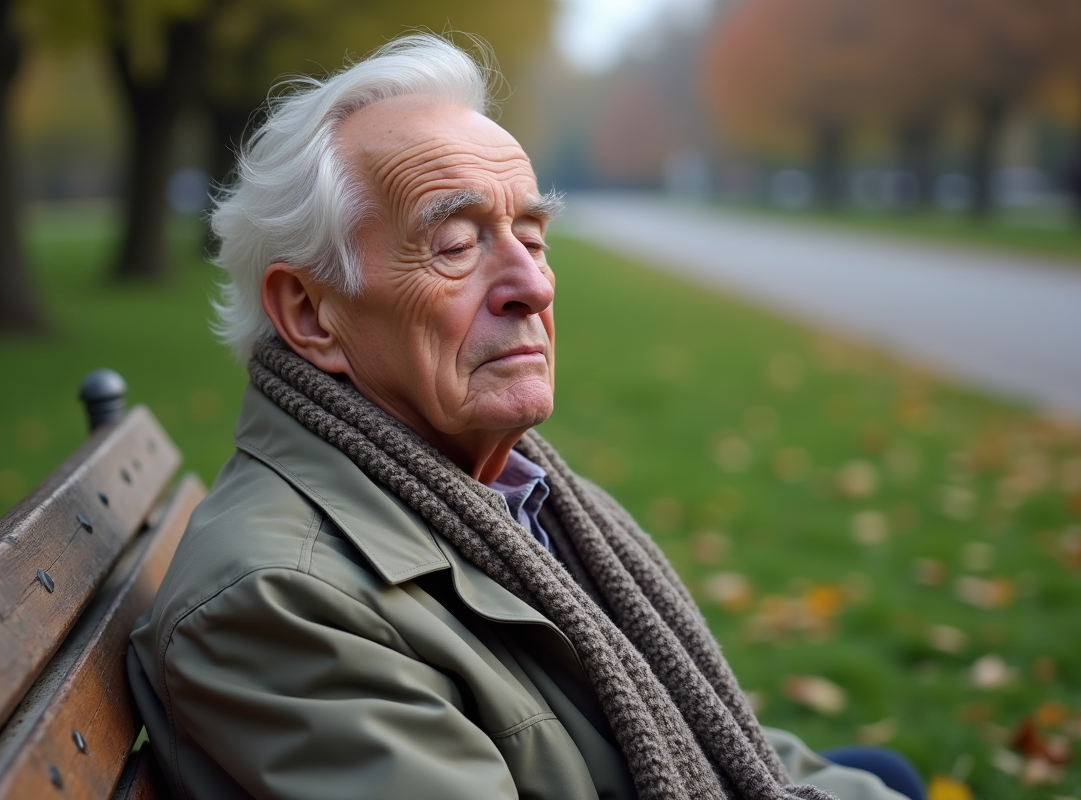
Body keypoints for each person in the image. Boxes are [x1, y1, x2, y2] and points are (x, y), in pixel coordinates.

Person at [128, 34, 922, 800]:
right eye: (455, 244)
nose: (534, 287)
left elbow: (716, 743)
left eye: (533, 237)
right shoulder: (279, 606)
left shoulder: (504, 490)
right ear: (310, 312)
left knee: (886, 776)